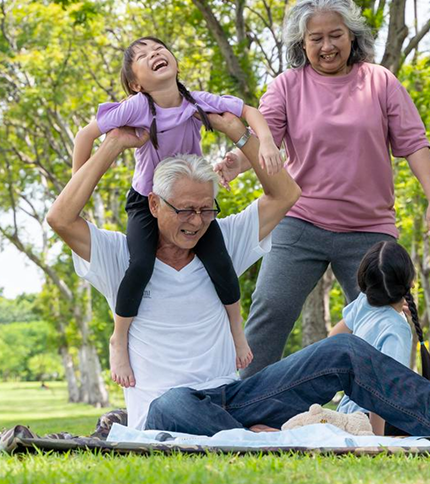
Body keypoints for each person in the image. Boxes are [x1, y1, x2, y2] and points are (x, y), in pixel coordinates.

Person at [47, 111, 430, 440]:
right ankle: (270, 440)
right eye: (184, 211)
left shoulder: (219, 244)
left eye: (206, 210)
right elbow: (61, 219)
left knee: (346, 350)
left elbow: (284, 195)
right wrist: (111, 146)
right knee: (175, 402)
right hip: (168, 415)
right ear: (153, 204)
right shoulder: (121, 257)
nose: (197, 221)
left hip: (235, 398)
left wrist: (242, 134)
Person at [215, 0, 430, 378]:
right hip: (301, 221)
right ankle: (243, 403)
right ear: (302, 43)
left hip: (368, 229)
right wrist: (234, 163)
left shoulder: (380, 82)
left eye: (335, 35)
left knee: (388, 319)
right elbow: (265, 140)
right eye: (316, 38)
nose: (327, 46)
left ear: (352, 35)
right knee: (270, 307)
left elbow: (414, 143)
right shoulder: (287, 86)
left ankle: (388, 408)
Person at [73, 36, 281, 389]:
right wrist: (79, 185)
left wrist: (267, 143)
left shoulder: (196, 101)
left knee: (220, 264)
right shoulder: (136, 107)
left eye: (158, 48)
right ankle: (118, 338)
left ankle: (236, 328)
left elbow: (248, 112)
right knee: (139, 265)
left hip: (191, 201)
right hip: (146, 202)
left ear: (174, 62)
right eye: (141, 55)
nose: (153, 53)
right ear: (136, 83)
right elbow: (84, 136)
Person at [328, 240, 430, 435]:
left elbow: (332, 339)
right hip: (370, 421)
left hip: (348, 410)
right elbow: (382, 394)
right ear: (410, 283)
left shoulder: (363, 302)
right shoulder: (396, 330)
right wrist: (376, 439)